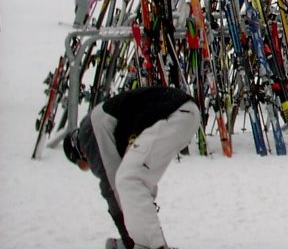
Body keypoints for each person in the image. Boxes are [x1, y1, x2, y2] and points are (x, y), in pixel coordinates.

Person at [63, 86, 201, 249]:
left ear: (81, 153)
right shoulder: (104, 127)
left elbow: (111, 186)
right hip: (182, 114)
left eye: (84, 165)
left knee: (128, 180)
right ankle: (145, 243)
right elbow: (136, 193)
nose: (90, 166)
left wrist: (127, 239)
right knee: (133, 180)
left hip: (175, 115)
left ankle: (148, 245)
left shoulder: (89, 134)